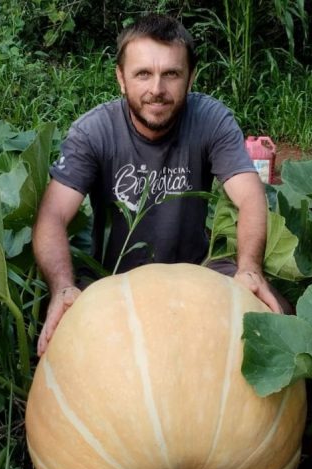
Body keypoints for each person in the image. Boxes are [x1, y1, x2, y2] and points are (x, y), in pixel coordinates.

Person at [32, 13, 288, 357]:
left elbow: (251, 197)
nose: (157, 89)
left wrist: (249, 270)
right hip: (112, 283)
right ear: (121, 78)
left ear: (190, 78)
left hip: (198, 273)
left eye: (171, 74)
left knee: (278, 316)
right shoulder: (93, 131)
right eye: (143, 74)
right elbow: (52, 216)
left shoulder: (211, 119)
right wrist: (63, 287)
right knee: (72, 345)